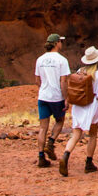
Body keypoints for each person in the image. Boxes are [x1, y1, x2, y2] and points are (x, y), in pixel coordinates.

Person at [59, 46, 98, 176]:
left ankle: (65, 155)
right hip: (92, 107)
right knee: (92, 135)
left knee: (76, 134)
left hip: (78, 106)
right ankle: (88, 163)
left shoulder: (80, 71)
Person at [34, 33, 71, 167]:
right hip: (56, 97)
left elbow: (37, 80)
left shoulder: (40, 59)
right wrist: (66, 98)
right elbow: (63, 82)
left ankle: (41, 158)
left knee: (43, 127)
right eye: (61, 41)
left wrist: (44, 89)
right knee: (60, 121)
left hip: (43, 96)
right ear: (56, 43)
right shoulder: (62, 60)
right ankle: (50, 143)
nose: (61, 43)